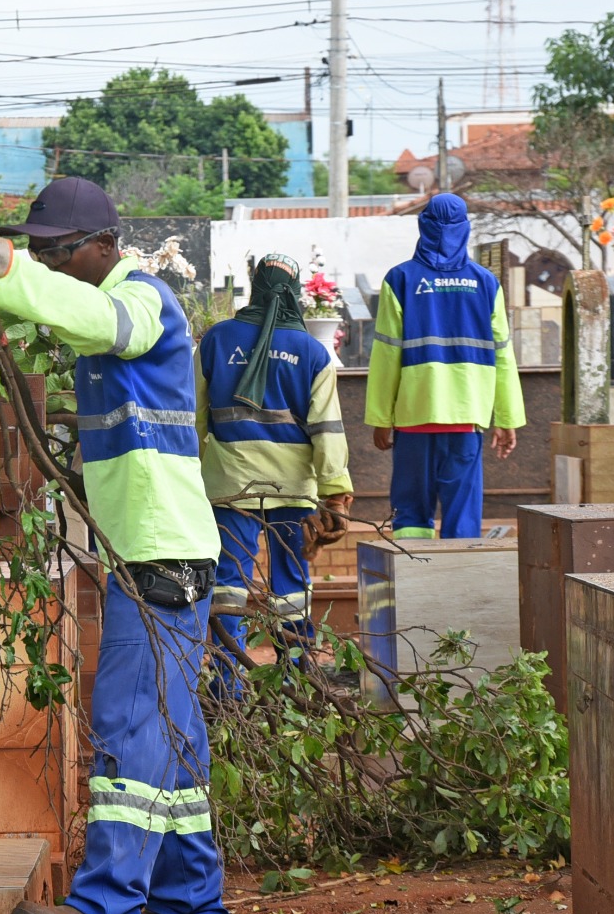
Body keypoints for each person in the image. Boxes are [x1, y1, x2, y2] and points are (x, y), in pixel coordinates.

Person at [0, 177, 230, 914]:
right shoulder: (104, 309)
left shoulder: (143, 299)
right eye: (39, 250)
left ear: (103, 244)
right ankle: (190, 902)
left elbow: (97, 321)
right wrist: (0, 281)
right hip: (148, 545)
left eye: (60, 250)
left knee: (132, 722)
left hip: (162, 548)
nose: (51, 263)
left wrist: (2, 268)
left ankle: (107, 906)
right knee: (173, 729)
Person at [195, 253, 353, 696]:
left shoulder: (216, 340)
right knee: (291, 588)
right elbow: (327, 431)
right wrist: (336, 493)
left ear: (254, 286)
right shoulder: (312, 352)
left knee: (228, 585)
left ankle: (227, 684)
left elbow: (194, 421)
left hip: (230, 488)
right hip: (294, 491)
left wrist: (187, 480)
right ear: (296, 291)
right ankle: (295, 676)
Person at [364, 193, 524, 539]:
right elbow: (503, 355)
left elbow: (387, 355)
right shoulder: (486, 283)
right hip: (467, 416)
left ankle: (413, 584)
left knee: (410, 511)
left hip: (413, 415)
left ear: (423, 227)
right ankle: (458, 588)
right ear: (464, 230)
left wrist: (380, 418)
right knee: (462, 512)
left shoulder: (400, 280)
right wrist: (507, 419)